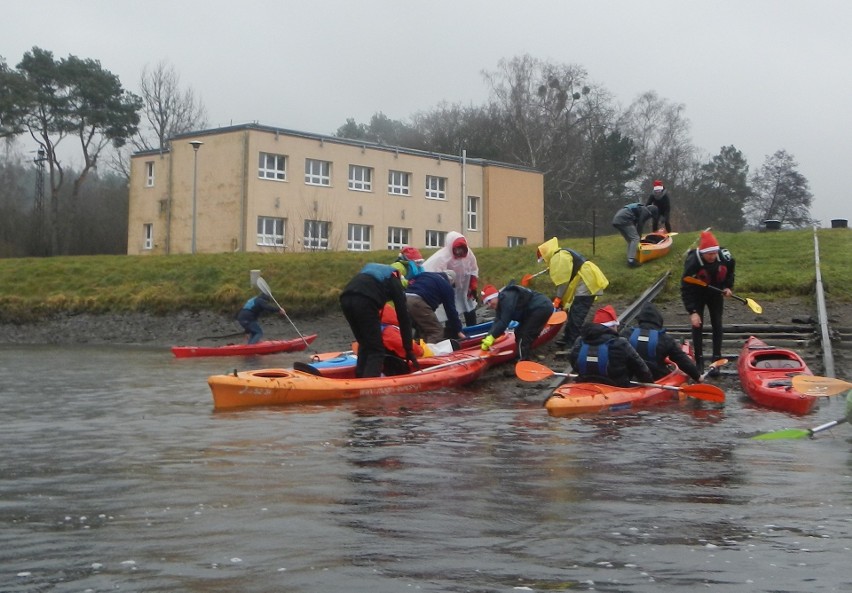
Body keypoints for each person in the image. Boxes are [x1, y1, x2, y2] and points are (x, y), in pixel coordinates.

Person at [340, 263, 417, 378]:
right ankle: (369, 388)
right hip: (365, 301)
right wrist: (408, 349)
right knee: (376, 350)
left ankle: (359, 379)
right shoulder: (394, 280)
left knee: (365, 344)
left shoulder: (375, 275)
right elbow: (403, 317)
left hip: (345, 299)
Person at [535, 237, 609, 349]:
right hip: (585, 280)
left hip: (587, 281)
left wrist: (558, 298)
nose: (545, 261)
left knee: (577, 313)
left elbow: (563, 282)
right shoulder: (560, 255)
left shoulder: (558, 257)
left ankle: (573, 344)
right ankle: (567, 338)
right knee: (573, 311)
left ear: (545, 255)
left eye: (543, 259)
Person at [681, 230, 736, 374]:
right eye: (709, 254)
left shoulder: (725, 256)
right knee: (697, 325)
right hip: (697, 294)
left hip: (716, 292)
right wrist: (692, 311)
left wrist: (728, 286)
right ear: (702, 252)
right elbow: (685, 288)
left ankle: (716, 359)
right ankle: (699, 361)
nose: (712, 256)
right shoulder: (692, 262)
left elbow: (730, 271)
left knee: (717, 323)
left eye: (714, 253)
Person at [568, 305, 654, 387]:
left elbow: (573, 362)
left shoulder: (580, 340)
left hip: (584, 384)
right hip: (615, 387)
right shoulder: (620, 343)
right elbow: (640, 367)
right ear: (612, 326)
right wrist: (649, 382)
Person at [623, 302, 701, 381]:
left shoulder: (626, 333)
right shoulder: (664, 338)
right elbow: (682, 360)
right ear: (658, 319)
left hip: (630, 378)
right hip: (655, 378)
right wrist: (697, 376)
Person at [480, 283, 553, 363]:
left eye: (489, 301)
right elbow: (497, 321)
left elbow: (504, 322)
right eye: (487, 303)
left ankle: (523, 362)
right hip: (532, 311)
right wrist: (488, 336)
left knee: (524, 335)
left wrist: (492, 337)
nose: (489, 305)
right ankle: (524, 355)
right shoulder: (500, 303)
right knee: (518, 332)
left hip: (542, 307)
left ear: (495, 296)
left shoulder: (506, 300)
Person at [423, 231, 479, 327]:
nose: (459, 252)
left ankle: (473, 329)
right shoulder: (443, 257)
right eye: (457, 249)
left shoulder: (469, 254)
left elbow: (474, 269)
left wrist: (473, 285)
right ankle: (453, 332)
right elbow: (436, 272)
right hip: (450, 287)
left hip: (465, 287)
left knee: (469, 308)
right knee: (451, 311)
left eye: (461, 249)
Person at [405, 270, 467, 344]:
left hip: (404, 298)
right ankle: (430, 354)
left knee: (422, 329)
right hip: (417, 301)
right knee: (436, 331)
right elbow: (451, 311)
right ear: (451, 280)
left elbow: (410, 282)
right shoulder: (446, 286)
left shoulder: (426, 274)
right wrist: (458, 330)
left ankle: (416, 350)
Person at [612, 202, 658, 267]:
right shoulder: (645, 211)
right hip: (624, 219)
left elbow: (635, 223)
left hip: (616, 219)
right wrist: (639, 237)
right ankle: (631, 261)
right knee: (635, 238)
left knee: (630, 240)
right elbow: (640, 223)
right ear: (651, 212)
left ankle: (630, 258)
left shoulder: (640, 209)